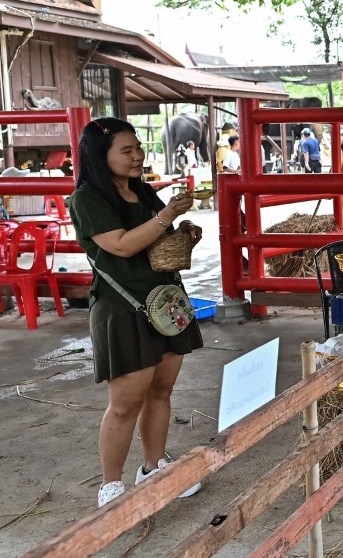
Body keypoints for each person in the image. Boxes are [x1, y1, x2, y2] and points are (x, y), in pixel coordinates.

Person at [67, 117, 205, 508]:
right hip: (123, 306)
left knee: (161, 391)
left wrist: (183, 229)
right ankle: (111, 484)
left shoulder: (142, 191)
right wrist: (166, 216)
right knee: (126, 402)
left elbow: (158, 237)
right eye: (126, 150)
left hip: (166, 300)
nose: (137, 156)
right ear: (100, 156)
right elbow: (123, 246)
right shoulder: (87, 198)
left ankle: (154, 465)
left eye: (138, 148)